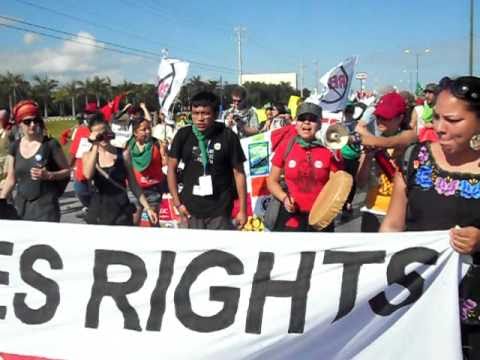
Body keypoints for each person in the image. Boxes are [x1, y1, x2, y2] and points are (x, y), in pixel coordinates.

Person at [379, 76, 480, 359]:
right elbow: (392, 225)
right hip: (418, 306)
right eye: (436, 118)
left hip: (474, 316)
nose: (439, 128)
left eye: (453, 120)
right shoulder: (415, 158)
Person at [167, 91, 247, 230]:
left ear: (215, 114)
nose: (200, 118)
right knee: (191, 250)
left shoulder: (228, 136)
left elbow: (239, 173)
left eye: (205, 113)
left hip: (220, 208)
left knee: (217, 250)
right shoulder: (183, 135)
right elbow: (171, 169)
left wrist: (243, 210)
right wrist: (177, 203)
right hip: (190, 207)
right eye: (195, 113)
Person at [266, 102, 343, 232]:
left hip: (321, 218)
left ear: (319, 124)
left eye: (312, 119)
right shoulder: (286, 146)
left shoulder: (331, 150)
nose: (306, 123)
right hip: (290, 218)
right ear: (296, 122)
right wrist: (284, 198)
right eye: (302, 118)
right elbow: (271, 181)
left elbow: (338, 186)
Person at [82, 113, 158, 226]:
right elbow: (88, 174)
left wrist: (147, 207)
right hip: (99, 211)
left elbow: (133, 184)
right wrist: (95, 145)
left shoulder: (123, 153)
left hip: (120, 210)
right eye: (99, 135)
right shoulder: (88, 155)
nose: (103, 138)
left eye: (104, 132)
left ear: (109, 130)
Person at [0, 100, 70, 222]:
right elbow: (11, 180)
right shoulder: (14, 147)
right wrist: (1, 200)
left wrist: (50, 175)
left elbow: (67, 171)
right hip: (21, 206)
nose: (33, 124)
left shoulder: (50, 144)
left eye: (36, 120)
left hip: (46, 207)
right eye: (27, 121)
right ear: (19, 123)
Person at [356, 92, 407, 232]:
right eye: (378, 116)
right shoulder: (371, 142)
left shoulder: (409, 144)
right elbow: (360, 183)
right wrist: (367, 156)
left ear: (400, 118)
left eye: (386, 118)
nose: (380, 121)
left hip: (400, 213)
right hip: (372, 210)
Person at [127, 117, 166, 225]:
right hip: (134, 188)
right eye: (143, 129)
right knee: (133, 220)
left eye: (149, 128)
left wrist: (165, 153)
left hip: (153, 187)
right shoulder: (128, 146)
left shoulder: (157, 144)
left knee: (153, 220)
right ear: (135, 132)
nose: (148, 131)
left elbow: (165, 162)